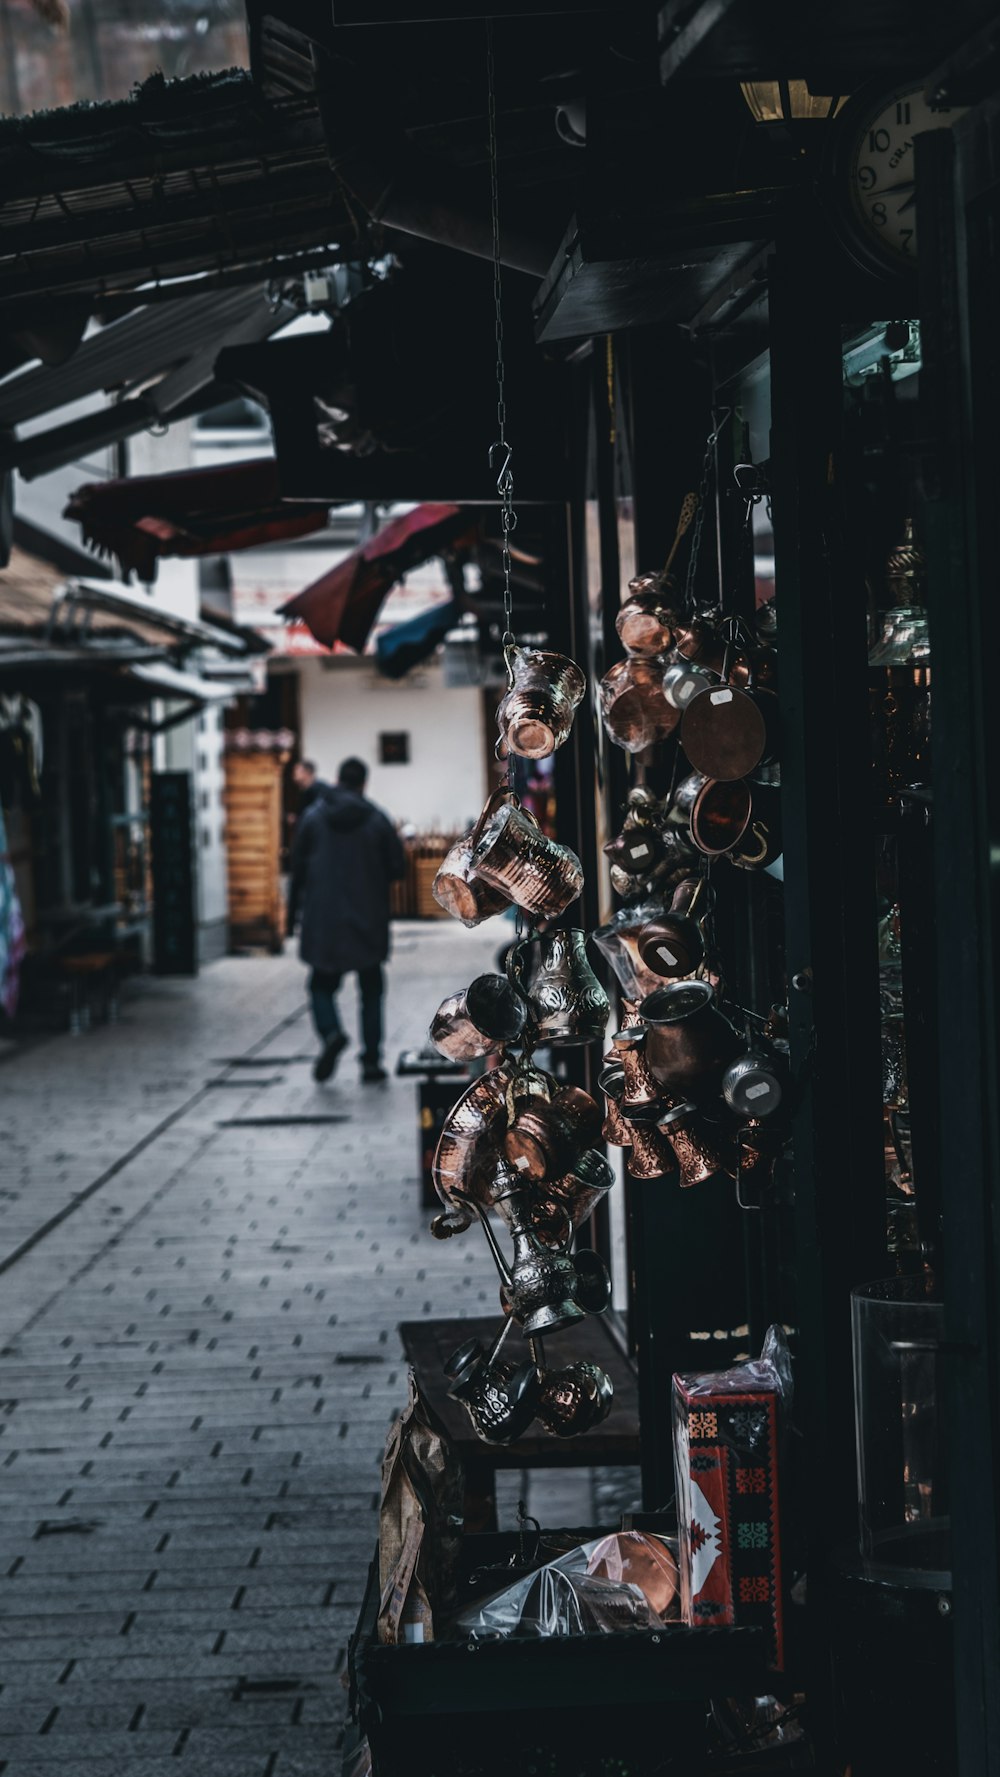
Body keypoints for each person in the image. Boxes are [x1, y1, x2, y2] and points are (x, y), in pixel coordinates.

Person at [288, 757, 406, 1084]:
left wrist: (292, 917)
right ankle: (370, 1061)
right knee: (371, 990)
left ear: (338, 780)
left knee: (320, 986)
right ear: (363, 783)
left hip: (323, 920)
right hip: (368, 917)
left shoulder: (313, 818)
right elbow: (398, 867)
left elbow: (296, 868)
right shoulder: (377, 819)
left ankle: (330, 1033)